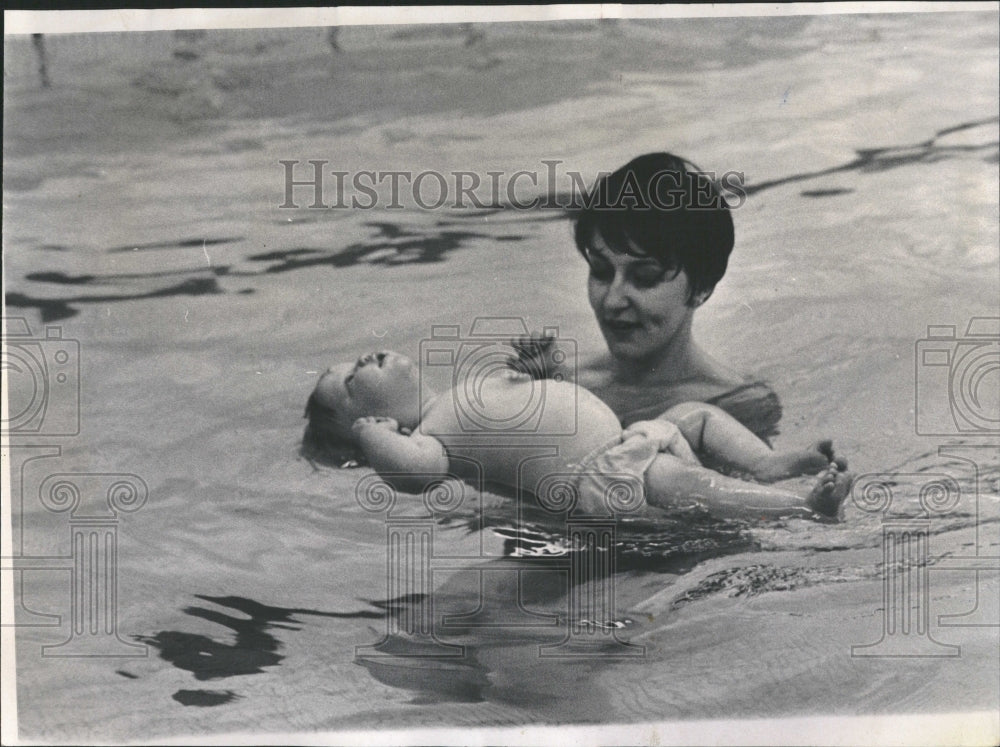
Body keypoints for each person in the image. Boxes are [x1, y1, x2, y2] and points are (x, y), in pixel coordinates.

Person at [305, 350, 852, 521]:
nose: (362, 360)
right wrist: (373, 441)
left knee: (695, 413)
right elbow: (415, 477)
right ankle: (796, 504)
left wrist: (538, 371)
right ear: (379, 426)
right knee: (688, 484)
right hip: (605, 478)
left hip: (624, 440)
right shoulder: (429, 439)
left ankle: (767, 463)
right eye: (352, 382)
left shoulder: (462, 394)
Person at [559, 152, 782, 440]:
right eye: (601, 272)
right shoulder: (565, 381)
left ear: (701, 287)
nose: (612, 301)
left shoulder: (738, 406)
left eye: (644, 278)